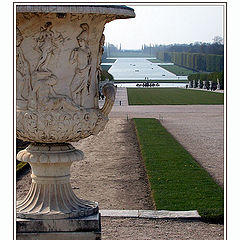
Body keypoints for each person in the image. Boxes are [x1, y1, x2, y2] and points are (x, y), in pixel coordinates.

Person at [69, 23, 92, 107]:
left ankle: (81, 106)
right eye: (78, 41)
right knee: (72, 89)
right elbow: (71, 62)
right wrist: (73, 54)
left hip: (85, 72)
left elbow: (90, 63)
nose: (79, 42)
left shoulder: (88, 51)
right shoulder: (77, 51)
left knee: (84, 90)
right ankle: (75, 106)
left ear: (85, 41)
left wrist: (85, 70)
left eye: (81, 41)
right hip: (78, 72)